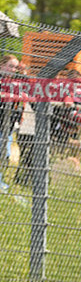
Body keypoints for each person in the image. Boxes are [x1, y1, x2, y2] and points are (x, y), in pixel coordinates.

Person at [0, 54, 22, 192]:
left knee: (5, 155)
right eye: (10, 66)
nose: (13, 70)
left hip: (7, 126)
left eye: (15, 67)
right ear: (1, 66)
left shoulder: (14, 83)